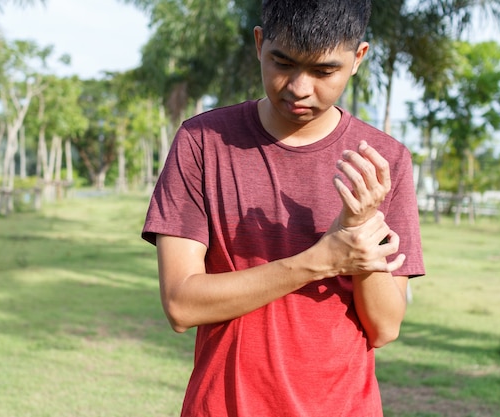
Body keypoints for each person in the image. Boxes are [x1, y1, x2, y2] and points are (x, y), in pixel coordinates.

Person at [142, 0, 425, 415]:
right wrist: (320, 261)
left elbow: (384, 327)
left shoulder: (384, 162)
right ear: (259, 43)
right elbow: (182, 305)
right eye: (283, 62)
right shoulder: (203, 143)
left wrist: (361, 225)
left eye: (324, 71)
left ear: (358, 57)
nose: (299, 87)